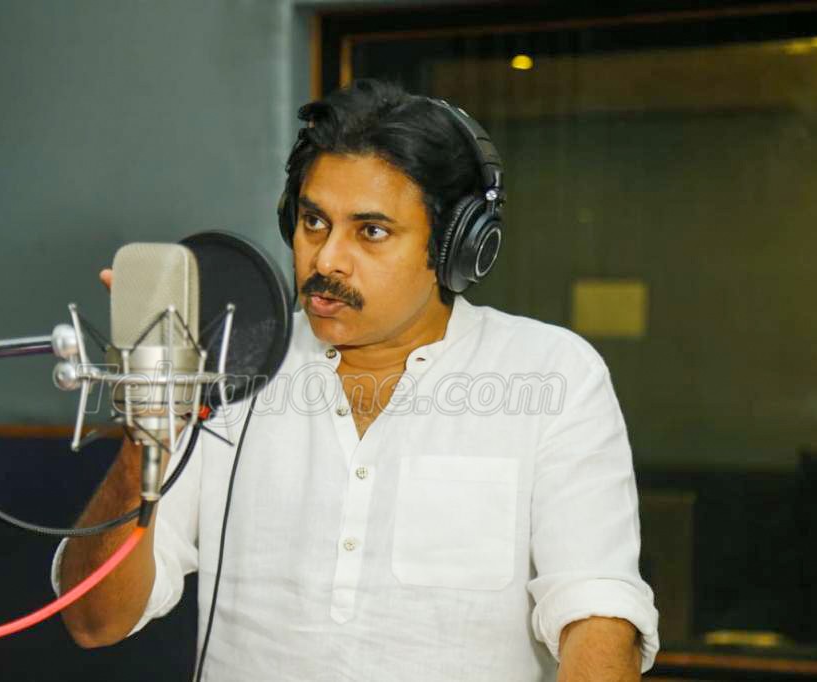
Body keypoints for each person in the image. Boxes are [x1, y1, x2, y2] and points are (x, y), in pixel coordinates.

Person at [52, 79, 659, 681]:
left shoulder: (552, 373)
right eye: (313, 221)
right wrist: (149, 427)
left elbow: (596, 609)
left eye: (371, 231)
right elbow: (93, 621)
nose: (326, 259)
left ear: (456, 247)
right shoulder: (228, 361)